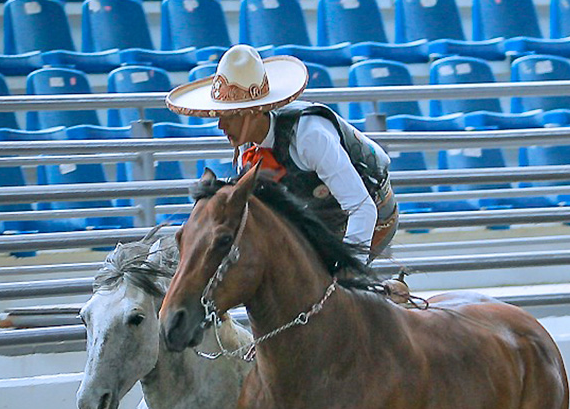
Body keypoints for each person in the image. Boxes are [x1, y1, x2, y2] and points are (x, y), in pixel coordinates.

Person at [166, 45, 399, 262]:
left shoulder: (310, 135)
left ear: (253, 113)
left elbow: (361, 207)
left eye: (229, 116)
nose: (220, 126)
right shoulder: (248, 153)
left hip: (373, 215)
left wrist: (348, 273)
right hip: (318, 222)